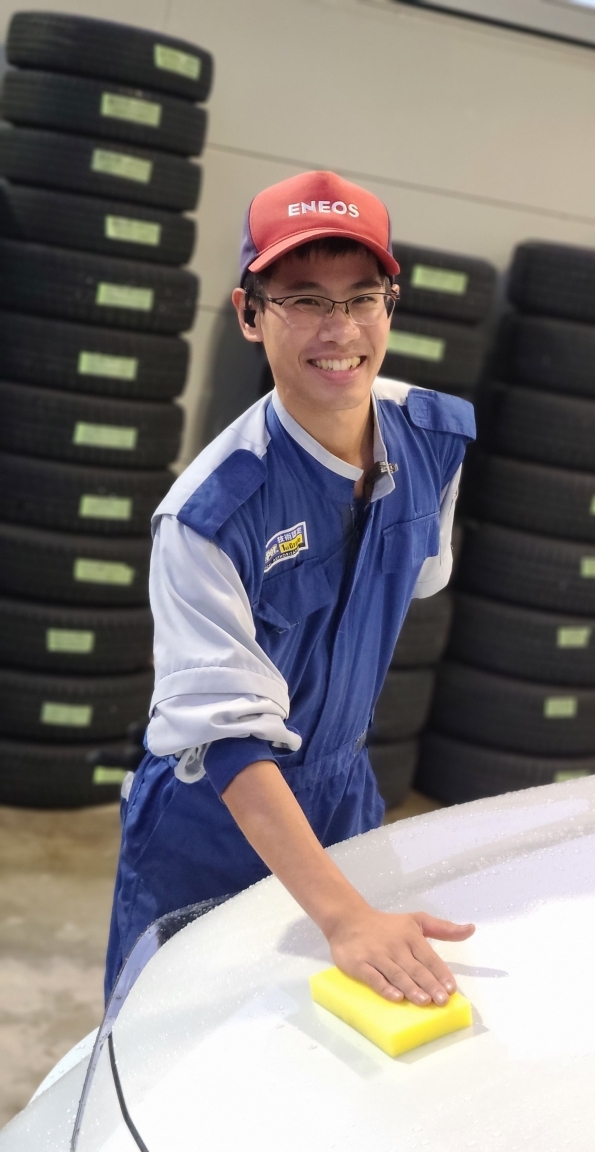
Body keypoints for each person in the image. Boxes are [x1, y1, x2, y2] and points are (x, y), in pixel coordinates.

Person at [105, 171, 476, 1006]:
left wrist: (349, 906)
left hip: (344, 793)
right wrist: (345, 916)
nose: (339, 329)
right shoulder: (210, 516)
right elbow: (229, 741)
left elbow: (419, 578)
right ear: (249, 314)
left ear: (391, 306)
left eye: (362, 298)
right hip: (211, 817)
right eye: (304, 300)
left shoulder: (436, 438)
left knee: (329, 1043)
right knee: (175, 1040)